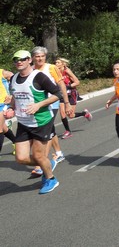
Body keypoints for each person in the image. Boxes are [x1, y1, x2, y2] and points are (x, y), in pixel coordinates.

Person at [6, 50, 67, 194]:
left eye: (22, 59)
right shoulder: (13, 79)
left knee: (38, 155)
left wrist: (39, 105)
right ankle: (46, 163)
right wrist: (10, 108)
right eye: (16, 60)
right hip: (23, 122)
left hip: (41, 121)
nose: (18, 62)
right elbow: (15, 97)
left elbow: (57, 94)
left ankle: (51, 179)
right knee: (21, 158)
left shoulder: (39, 77)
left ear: (29, 60)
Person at [31, 46, 71, 174]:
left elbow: (61, 85)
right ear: (33, 58)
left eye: (42, 56)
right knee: (51, 130)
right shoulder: (31, 70)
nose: (40, 58)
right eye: (37, 56)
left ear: (45, 57)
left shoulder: (51, 68)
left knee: (46, 131)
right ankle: (58, 153)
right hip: (39, 105)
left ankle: (41, 163)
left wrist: (66, 102)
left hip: (52, 103)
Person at [54, 58, 92, 140]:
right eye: (55, 62)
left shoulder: (67, 71)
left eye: (58, 62)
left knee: (71, 115)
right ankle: (68, 131)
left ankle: (84, 114)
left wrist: (68, 86)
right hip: (62, 95)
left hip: (72, 93)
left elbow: (77, 82)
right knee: (62, 113)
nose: (56, 63)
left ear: (63, 64)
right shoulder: (55, 72)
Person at [0, 68, 17, 154]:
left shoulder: (2, 73)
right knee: (3, 128)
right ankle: (16, 142)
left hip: (2, 104)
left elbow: (15, 78)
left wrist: (11, 95)